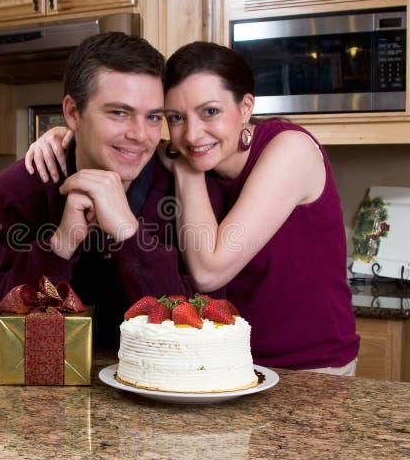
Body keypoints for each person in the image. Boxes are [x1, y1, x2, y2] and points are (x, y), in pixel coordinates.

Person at [26, 41, 359, 374]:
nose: (193, 134)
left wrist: (187, 167)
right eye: (176, 118)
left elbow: (208, 271)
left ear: (245, 107)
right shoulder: (203, 155)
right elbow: (118, 137)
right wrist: (65, 134)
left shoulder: (290, 149)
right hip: (231, 367)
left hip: (312, 369)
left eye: (210, 111)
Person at [0, 33, 223, 348]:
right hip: (49, 392)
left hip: (158, 390)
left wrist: (129, 234)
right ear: (72, 113)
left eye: (153, 117)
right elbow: (4, 334)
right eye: (119, 112)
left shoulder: (191, 189)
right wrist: (60, 246)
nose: (139, 135)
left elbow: (203, 334)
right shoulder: (20, 189)